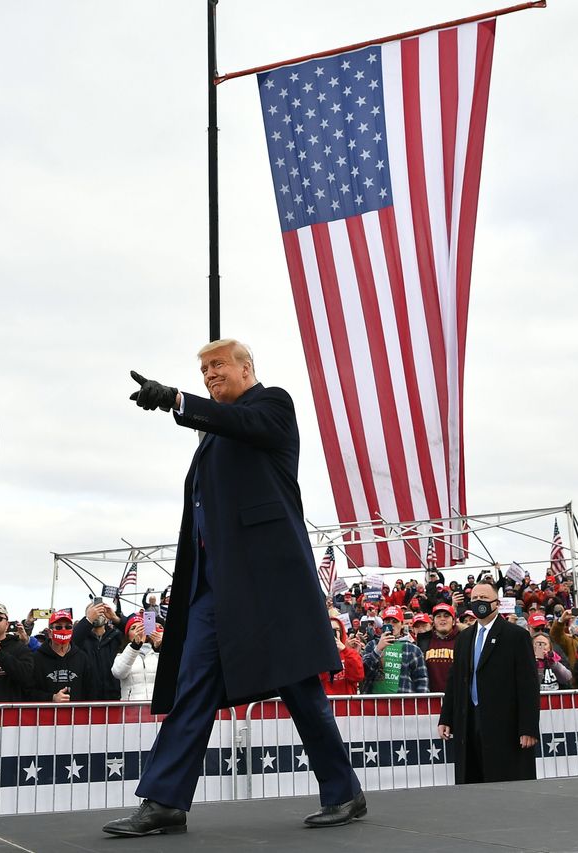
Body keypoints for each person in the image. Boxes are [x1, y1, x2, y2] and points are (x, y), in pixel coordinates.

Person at [103, 340, 364, 837]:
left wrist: (178, 401)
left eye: (217, 365)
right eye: (202, 370)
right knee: (192, 688)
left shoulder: (272, 405)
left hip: (269, 585)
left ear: (248, 368)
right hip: (213, 588)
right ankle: (164, 802)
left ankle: (344, 792)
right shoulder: (211, 435)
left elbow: (244, 424)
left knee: (302, 690)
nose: (208, 375)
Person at [437, 579, 540, 783]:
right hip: (469, 720)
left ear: (496, 603)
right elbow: (455, 680)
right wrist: (446, 717)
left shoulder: (516, 636)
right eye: (474, 598)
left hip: (505, 725)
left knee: (505, 780)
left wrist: (528, 727)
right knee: (473, 779)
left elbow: (528, 684)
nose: (478, 602)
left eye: (483, 598)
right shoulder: (464, 638)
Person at [362, 606, 429, 694]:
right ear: (383, 624)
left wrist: (421, 704)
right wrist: (377, 650)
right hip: (374, 704)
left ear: (401, 624)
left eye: (395, 621)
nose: (391, 624)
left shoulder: (413, 649)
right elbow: (362, 673)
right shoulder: (372, 645)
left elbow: (421, 679)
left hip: (403, 704)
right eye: (387, 621)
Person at [32, 610, 91, 702]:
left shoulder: (82, 657)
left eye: (68, 627)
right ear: (50, 632)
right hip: (47, 714)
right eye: (59, 627)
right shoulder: (37, 658)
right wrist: (52, 698)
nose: (64, 631)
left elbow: (89, 689)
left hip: (76, 714)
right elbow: (29, 691)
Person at [73, 600, 125, 701]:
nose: (97, 615)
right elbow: (72, 641)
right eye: (94, 612)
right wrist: (88, 620)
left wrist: (115, 618)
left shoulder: (116, 637)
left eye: (101, 612)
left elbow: (130, 631)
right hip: (88, 698)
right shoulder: (81, 639)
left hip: (115, 697)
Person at [111, 613, 163, 702]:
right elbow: (118, 673)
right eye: (133, 628)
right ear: (127, 635)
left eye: (141, 627)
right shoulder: (122, 655)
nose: (138, 631)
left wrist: (161, 647)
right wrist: (135, 646)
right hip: (131, 710)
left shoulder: (156, 653)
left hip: (155, 709)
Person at [417, 603, 459, 694]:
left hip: (457, 699)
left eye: (446, 616)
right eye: (438, 616)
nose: (442, 619)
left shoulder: (463, 639)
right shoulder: (423, 641)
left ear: (454, 621)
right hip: (430, 700)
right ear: (433, 621)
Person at [320, 615, 365, 696]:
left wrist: (345, 650)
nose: (334, 633)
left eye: (337, 630)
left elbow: (358, 676)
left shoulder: (349, 652)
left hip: (347, 706)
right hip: (326, 705)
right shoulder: (318, 654)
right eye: (329, 629)